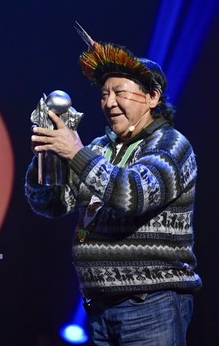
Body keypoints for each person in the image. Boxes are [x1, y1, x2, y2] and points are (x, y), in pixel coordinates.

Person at [24, 29, 201, 345]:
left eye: (120, 92)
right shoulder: (99, 148)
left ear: (152, 96)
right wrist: (47, 156)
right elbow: (53, 203)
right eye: (104, 94)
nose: (109, 102)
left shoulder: (171, 146)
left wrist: (76, 153)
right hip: (100, 310)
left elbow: (132, 195)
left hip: (150, 305)